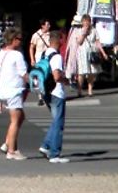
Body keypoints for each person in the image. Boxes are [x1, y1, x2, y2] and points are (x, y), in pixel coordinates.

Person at [0, 28, 28, 160]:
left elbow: (0, 72)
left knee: (20, 117)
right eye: (19, 39)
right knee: (15, 120)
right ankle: (12, 151)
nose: (20, 42)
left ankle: (7, 143)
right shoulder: (17, 55)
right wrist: (35, 82)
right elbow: (23, 73)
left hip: (4, 89)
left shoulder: (1, 53)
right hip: (14, 90)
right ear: (13, 40)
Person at [39, 30, 70, 163]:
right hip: (56, 92)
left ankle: (46, 146)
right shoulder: (57, 57)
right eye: (62, 40)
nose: (63, 43)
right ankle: (54, 154)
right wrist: (66, 80)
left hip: (45, 90)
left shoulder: (44, 54)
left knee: (55, 121)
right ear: (58, 41)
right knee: (59, 123)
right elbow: (57, 76)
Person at [76, 14, 109, 96]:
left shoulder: (94, 30)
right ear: (82, 22)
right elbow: (79, 42)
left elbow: (98, 42)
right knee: (82, 72)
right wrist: (84, 33)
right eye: (85, 21)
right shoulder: (79, 30)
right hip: (82, 53)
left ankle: (90, 90)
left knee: (92, 72)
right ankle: (79, 90)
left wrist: (103, 53)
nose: (87, 23)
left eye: (88, 21)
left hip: (92, 51)